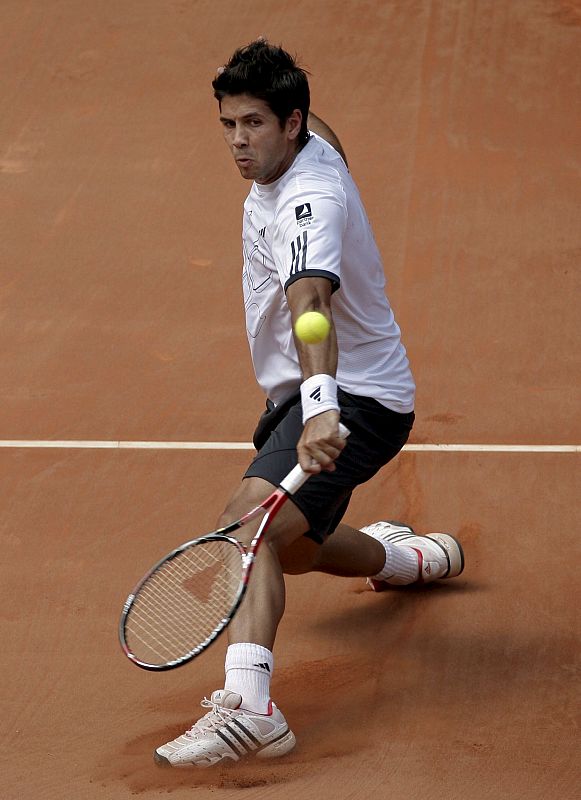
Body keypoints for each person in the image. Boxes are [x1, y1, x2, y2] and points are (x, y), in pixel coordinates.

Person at [155, 39, 464, 768]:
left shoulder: (308, 203)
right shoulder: (313, 139)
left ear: (290, 123)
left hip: (351, 396)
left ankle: (251, 710)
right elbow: (316, 126)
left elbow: (310, 301)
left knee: (249, 525)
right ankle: (401, 558)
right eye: (229, 123)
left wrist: (323, 407)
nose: (238, 141)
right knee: (291, 552)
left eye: (254, 124)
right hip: (308, 390)